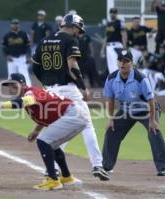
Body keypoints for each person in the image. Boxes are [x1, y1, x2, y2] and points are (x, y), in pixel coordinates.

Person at [32, 14, 110, 181]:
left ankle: (51, 168)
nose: (78, 33)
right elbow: (72, 65)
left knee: (57, 128)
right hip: (69, 90)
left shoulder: (44, 40)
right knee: (87, 125)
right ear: (73, 26)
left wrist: (46, 84)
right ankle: (97, 164)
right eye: (78, 29)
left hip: (51, 91)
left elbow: (35, 67)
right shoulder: (70, 40)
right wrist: (83, 87)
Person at [0, 73, 88, 190]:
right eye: (9, 86)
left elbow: (26, 101)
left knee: (44, 141)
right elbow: (44, 113)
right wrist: (36, 131)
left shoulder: (31, 92)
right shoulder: (28, 94)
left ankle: (53, 180)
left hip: (72, 115)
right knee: (51, 144)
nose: (11, 89)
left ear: (23, 84)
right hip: (73, 115)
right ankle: (67, 178)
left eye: (14, 85)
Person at [102, 48, 165, 176]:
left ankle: (163, 168)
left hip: (146, 110)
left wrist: (152, 121)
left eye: (126, 61)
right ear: (117, 62)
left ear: (132, 63)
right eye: (120, 60)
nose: (123, 63)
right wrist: (111, 119)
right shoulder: (111, 78)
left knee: (154, 132)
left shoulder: (140, 78)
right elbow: (110, 99)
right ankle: (106, 166)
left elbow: (151, 100)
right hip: (126, 111)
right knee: (111, 131)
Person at [2, 19, 31, 86]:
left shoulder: (24, 34)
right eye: (13, 24)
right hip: (12, 59)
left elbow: (28, 46)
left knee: (25, 75)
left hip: (22, 58)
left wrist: (28, 56)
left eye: (16, 24)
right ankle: (13, 95)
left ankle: (29, 92)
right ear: (10, 25)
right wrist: (7, 55)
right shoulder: (7, 35)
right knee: (11, 77)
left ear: (19, 25)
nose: (15, 25)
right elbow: (4, 47)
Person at [100, 8, 127, 74]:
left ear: (116, 14)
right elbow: (106, 37)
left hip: (117, 45)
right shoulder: (108, 24)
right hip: (109, 46)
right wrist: (102, 49)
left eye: (114, 12)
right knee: (111, 67)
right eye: (111, 12)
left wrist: (124, 46)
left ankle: (120, 81)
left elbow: (124, 34)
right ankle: (114, 82)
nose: (112, 14)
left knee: (117, 65)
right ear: (109, 14)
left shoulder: (120, 22)